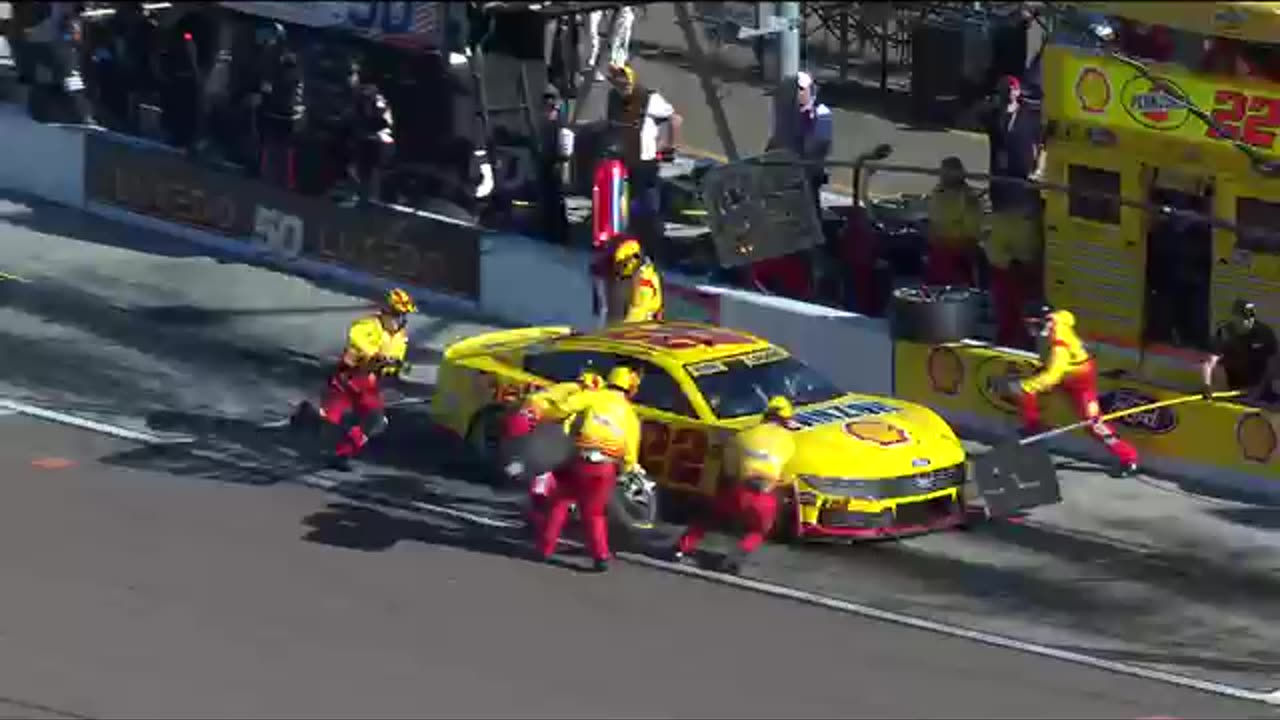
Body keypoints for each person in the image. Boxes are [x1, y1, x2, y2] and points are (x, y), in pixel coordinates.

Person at [536, 366, 644, 572]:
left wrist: (545, 408)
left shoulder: (593, 397)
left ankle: (545, 547)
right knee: (595, 512)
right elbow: (631, 449)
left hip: (581, 461)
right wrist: (629, 467)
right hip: (605, 467)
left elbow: (564, 407)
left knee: (560, 500)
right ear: (630, 387)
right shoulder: (630, 414)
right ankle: (601, 555)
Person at [673, 396, 797, 574]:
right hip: (764, 496)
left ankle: (680, 548)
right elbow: (787, 477)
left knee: (707, 517)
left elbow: (730, 470)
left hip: (739, 491)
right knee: (757, 531)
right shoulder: (789, 442)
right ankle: (736, 558)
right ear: (786, 420)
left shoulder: (744, 435)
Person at [1014, 306, 1140, 476]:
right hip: (1070, 373)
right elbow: (1069, 317)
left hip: (1081, 381)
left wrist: (1028, 385)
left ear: (1044, 321)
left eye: (1033, 325)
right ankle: (1034, 425)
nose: (1031, 330)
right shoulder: (1057, 319)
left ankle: (1129, 458)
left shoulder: (1060, 346)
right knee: (1034, 385)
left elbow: (1053, 375)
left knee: (1094, 424)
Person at [316, 288, 417, 471]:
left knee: (376, 422)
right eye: (397, 314)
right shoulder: (367, 326)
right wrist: (374, 355)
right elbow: (356, 339)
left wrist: (396, 368)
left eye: (403, 316)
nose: (400, 320)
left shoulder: (400, 338)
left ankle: (342, 454)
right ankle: (308, 418)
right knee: (329, 422)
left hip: (367, 384)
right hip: (347, 378)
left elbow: (392, 363)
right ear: (386, 311)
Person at [504, 369, 605, 531]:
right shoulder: (576, 391)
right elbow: (563, 412)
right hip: (534, 419)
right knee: (550, 460)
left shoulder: (566, 388)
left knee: (531, 457)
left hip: (527, 419)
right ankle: (535, 482)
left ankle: (521, 471)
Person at [605, 63, 681, 246]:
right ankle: (633, 239)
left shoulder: (650, 99)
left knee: (649, 206)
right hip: (624, 162)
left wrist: (670, 146)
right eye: (617, 83)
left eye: (625, 83)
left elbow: (675, 119)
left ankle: (654, 242)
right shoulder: (613, 99)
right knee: (629, 207)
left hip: (646, 163)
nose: (621, 87)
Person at [766, 70, 834, 217]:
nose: (797, 94)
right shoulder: (787, 115)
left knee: (810, 212)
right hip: (786, 175)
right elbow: (776, 141)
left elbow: (818, 146)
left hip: (807, 175)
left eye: (801, 89)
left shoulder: (821, 114)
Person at [985, 190, 1042, 348]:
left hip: (1032, 272)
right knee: (1009, 317)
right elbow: (993, 249)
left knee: (1031, 317)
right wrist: (1013, 265)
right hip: (1008, 274)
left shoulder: (1040, 218)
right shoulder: (1003, 220)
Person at [983, 75, 1042, 213]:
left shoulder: (1028, 116)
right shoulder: (994, 115)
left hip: (1021, 172)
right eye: (1004, 89)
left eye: (1012, 89)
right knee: (1000, 208)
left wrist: (1037, 168)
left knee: (1019, 210)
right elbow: (969, 118)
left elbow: (1040, 143)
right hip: (999, 173)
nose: (1008, 92)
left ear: (1018, 92)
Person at [924, 156, 983, 287]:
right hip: (938, 249)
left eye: (945, 172)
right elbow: (933, 218)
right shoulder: (938, 192)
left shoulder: (969, 198)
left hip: (959, 250)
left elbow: (972, 230)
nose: (941, 176)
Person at [1202, 300, 1278, 399]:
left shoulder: (1263, 334)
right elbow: (1209, 362)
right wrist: (1206, 384)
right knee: (1218, 370)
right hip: (1232, 380)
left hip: (1258, 382)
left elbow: (1273, 364)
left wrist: (1259, 388)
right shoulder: (1224, 332)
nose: (1249, 321)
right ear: (1234, 318)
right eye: (1244, 318)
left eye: (1251, 317)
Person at [605, 237, 663, 325]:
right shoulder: (651, 276)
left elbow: (657, 308)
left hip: (639, 329)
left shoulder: (648, 277)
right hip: (639, 329)